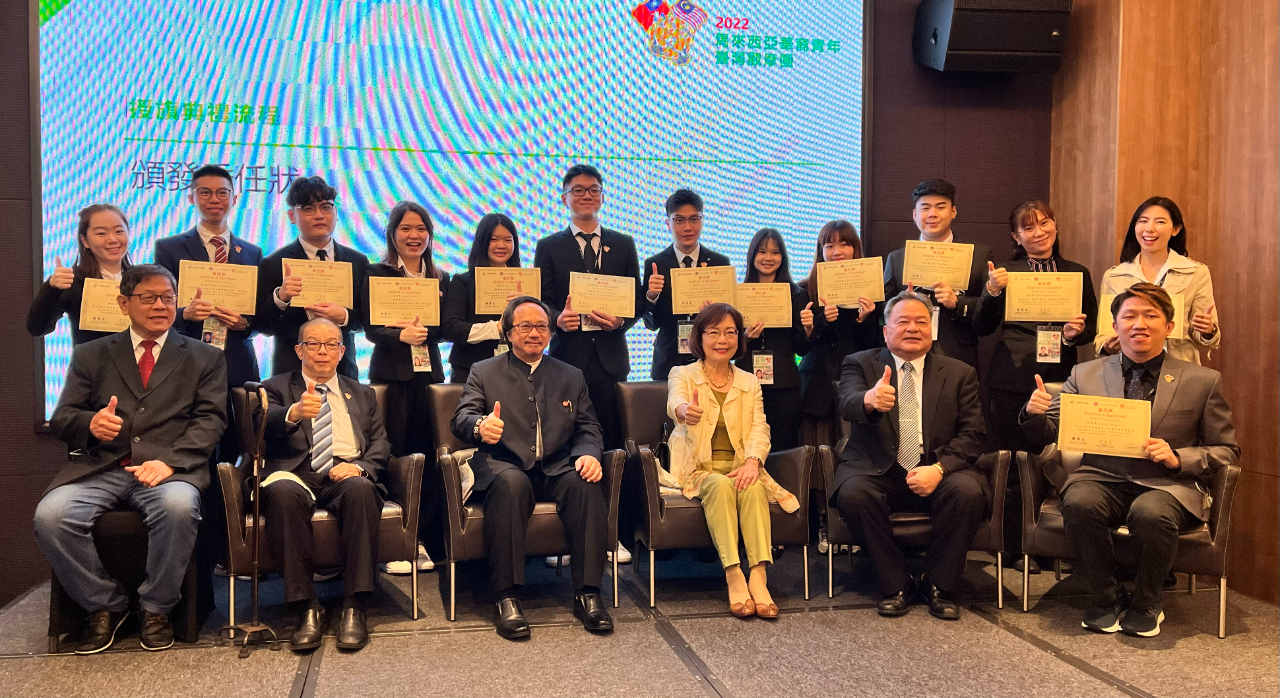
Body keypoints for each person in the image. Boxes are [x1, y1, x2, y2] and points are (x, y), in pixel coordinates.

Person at [1021, 283, 1239, 637]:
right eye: (1130, 316)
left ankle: (1148, 602)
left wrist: (1177, 457)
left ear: (1169, 326)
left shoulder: (1203, 380)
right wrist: (1034, 414)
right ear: (1116, 325)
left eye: (1151, 315)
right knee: (1079, 502)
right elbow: (1050, 435)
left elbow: (1227, 451)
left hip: (1166, 482)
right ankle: (1107, 597)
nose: (1140, 324)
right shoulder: (1084, 374)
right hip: (1100, 475)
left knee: (1150, 513)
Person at [33, 264, 226, 653]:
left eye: (168, 298)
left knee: (178, 507)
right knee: (50, 517)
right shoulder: (91, 354)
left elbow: (212, 420)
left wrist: (171, 462)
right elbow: (64, 418)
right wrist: (92, 424)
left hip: (168, 469)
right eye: (148, 298)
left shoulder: (205, 357)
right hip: (102, 467)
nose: (160, 305)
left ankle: (157, 608)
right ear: (124, 303)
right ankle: (106, 605)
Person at [452, 296, 613, 640]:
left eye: (541, 326)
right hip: (504, 465)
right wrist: (480, 426)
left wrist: (589, 454)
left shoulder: (570, 375)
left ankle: (588, 594)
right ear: (509, 333)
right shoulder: (484, 371)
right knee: (512, 485)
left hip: (557, 466)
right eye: (524, 326)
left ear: (551, 332)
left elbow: (589, 428)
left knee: (585, 483)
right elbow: (462, 417)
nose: (534, 333)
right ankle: (506, 596)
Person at [830, 290, 987, 620]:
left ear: (932, 329)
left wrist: (940, 469)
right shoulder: (859, 363)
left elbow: (973, 436)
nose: (913, 328)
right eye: (903, 321)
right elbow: (847, 402)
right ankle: (895, 583)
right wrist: (870, 399)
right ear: (886, 330)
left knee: (969, 491)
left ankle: (939, 585)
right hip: (877, 468)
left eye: (921, 321)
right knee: (854, 493)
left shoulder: (960, 372)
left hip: (937, 467)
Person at [973, 201, 1097, 573]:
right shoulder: (1005, 273)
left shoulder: (1077, 273)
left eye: (1044, 224)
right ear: (1016, 237)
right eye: (1028, 228)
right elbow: (980, 326)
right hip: (1011, 379)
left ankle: (1049, 543)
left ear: (1055, 227)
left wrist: (1076, 334)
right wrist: (992, 292)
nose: (1039, 232)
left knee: (1054, 461)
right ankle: (1013, 546)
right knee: (1013, 462)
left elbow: (1089, 328)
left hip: (1062, 380)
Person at [258, 318, 391, 652]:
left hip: (344, 471)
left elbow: (380, 444)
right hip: (296, 472)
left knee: (362, 490)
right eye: (313, 344)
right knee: (282, 493)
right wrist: (294, 412)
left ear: (342, 351)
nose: (322, 351)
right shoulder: (273, 387)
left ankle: (355, 605)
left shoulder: (361, 392)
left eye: (331, 344)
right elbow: (261, 427)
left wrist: (359, 467)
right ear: (299, 349)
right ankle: (305, 607)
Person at [664, 303, 798, 618]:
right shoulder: (682, 373)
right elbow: (675, 403)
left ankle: (759, 576)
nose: (722, 339)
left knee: (751, 488)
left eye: (730, 332)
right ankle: (733, 574)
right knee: (720, 486)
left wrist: (753, 462)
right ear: (700, 337)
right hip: (698, 469)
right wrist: (686, 412)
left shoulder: (750, 381)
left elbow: (759, 428)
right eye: (714, 332)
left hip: (740, 464)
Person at [360, 201, 448, 574]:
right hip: (392, 379)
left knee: (428, 458)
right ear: (392, 234)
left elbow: (447, 329)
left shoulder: (441, 277)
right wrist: (401, 335)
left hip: (429, 379)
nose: (414, 236)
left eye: (421, 229)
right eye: (406, 229)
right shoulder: (376, 273)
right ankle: (395, 541)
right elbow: (369, 328)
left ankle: (424, 539)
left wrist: (433, 322)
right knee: (395, 455)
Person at [535, 164, 644, 457]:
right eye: (578, 190)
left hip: (611, 360)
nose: (587, 195)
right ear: (564, 198)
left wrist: (620, 320)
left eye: (594, 190)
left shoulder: (623, 244)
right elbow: (541, 299)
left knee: (613, 440)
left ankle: (615, 501)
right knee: (566, 438)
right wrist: (556, 318)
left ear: (603, 197)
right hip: (566, 358)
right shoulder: (548, 246)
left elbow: (636, 299)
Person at [154, 165, 264, 389]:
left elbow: (261, 315)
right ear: (191, 198)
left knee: (241, 424)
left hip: (237, 365)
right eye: (205, 192)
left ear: (234, 199)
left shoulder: (253, 253)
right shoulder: (169, 249)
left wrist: (244, 324)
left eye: (223, 193)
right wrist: (185, 314)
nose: (215, 199)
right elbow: (156, 308)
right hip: (185, 363)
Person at [256, 176, 368, 379]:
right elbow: (262, 325)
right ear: (292, 215)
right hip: (290, 374)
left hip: (343, 373)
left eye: (326, 207)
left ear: (335, 212)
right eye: (308, 208)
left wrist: (344, 316)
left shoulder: (357, 262)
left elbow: (367, 319)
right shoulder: (274, 263)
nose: (319, 215)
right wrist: (280, 298)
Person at [883, 179, 993, 371]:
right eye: (925, 208)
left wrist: (958, 303)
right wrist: (902, 303)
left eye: (940, 207)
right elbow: (882, 311)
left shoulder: (977, 256)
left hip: (958, 357)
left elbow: (989, 317)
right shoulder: (897, 258)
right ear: (915, 215)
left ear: (953, 212)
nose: (932, 214)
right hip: (906, 357)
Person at [1095, 197, 1219, 364]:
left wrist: (1207, 331)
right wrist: (1107, 346)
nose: (1149, 229)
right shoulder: (1114, 276)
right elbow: (1103, 335)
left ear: (1175, 229)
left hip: (1179, 366)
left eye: (1160, 222)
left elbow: (1206, 336)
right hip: (1127, 368)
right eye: (1143, 221)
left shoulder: (1196, 272)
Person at [797, 220, 882, 446]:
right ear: (820, 251)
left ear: (855, 249)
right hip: (817, 384)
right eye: (829, 246)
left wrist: (864, 319)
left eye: (844, 245)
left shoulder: (872, 291)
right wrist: (821, 321)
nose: (837, 252)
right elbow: (800, 346)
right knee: (817, 455)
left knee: (854, 449)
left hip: (857, 382)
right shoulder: (804, 289)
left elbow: (876, 345)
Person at [642, 188, 733, 381]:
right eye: (679, 220)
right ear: (668, 223)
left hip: (711, 359)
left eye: (694, 219)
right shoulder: (655, 264)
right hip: (668, 361)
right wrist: (651, 296)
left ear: (702, 220)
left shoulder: (720, 263)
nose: (687, 227)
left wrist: (715, 315)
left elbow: (729, 319)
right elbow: (651, 324)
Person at [734, 228, 810, 451]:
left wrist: (807, 330)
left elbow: (801, 349)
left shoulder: (797, 294)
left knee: (784, 449)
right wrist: (745, 337)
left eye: (775, 253)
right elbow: (728, 346)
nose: (768, 258)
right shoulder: (738, 294)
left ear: (783, 258)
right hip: (746, 383)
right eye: (762, 252)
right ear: (752, 255)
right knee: (747, 448)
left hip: (785, 387)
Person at [28, 204, 134, 344]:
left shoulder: (143, 279)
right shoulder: (73, 281)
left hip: (137, 365)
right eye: (101, 233)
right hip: (90, 365)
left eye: (119, 231)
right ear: (85, 241)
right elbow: (37, 328)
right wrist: (51, 288)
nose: (112, 239)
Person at [441, 213, 522, 385]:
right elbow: (451, 327)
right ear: (482, 241)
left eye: (508, 240)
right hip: (470, 368)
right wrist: (496, 328)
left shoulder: (525, 282)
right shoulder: (462, 281)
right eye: (494, 239)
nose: (501, 245)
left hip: (517, 368)